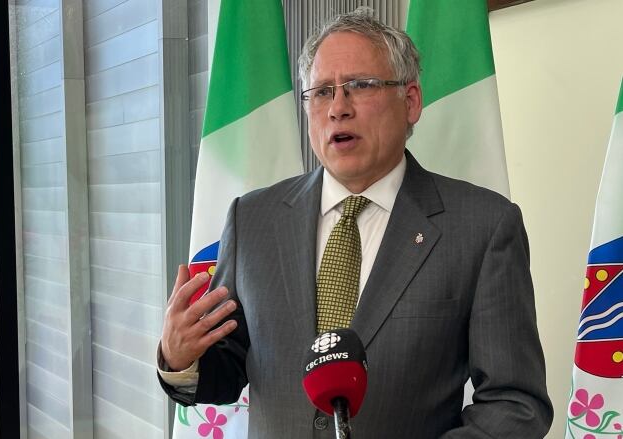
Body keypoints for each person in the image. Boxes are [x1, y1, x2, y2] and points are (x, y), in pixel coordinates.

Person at [157, 9, 553, 438]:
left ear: (411, 101)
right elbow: (228, 366)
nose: (338, 109)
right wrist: (180, 357)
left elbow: (516, 405)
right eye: (322, 92)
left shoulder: (483, 226)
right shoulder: (251, 219)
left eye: (361, 86)